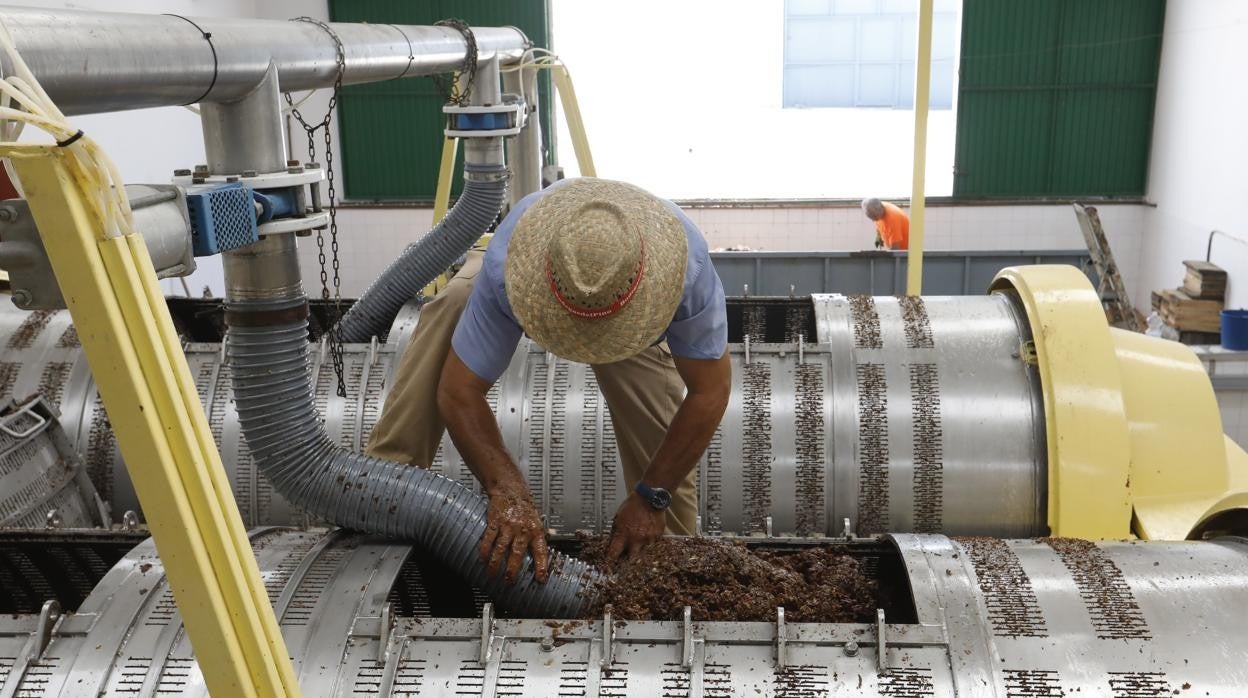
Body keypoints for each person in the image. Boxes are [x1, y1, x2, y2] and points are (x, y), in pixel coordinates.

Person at [367, 178, 730, 584]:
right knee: (451, 306)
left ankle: (670, 564)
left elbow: (709, 392)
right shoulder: (509, 264)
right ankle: (386, 489)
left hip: (632, 309)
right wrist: (508, 492)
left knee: (662, 475)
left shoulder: (686, 269)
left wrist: (653, 496)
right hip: (530, 271)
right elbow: (457, 392)